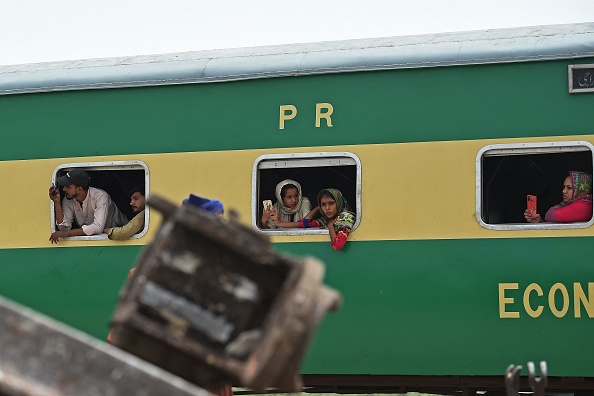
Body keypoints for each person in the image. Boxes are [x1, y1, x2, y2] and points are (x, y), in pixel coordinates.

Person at [49, 169, 128, 243]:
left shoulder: (100, 196)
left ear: (79, 189)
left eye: (68, 187)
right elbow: (64, 228)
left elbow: (97, 227)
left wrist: (66, 234)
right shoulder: (68, 199)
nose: (64, 189)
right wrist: (57, 202)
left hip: (120, 236)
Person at [272, 188, 356, 250]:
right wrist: (279, 223)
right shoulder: (326, 219)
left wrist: (330, 226)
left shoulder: (345, 217)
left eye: (331, 203)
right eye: (323, 204)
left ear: (339, 203)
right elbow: (305, 223)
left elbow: (337, 245)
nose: (327, 208)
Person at [525, 170, 593, 223]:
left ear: (580, 189)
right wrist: (538, 221)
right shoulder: (578, 203)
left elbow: (551, 216)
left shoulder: (583, 205)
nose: (564, 191)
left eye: (569, 188)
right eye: (564, 187)